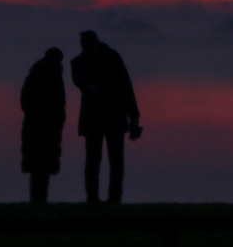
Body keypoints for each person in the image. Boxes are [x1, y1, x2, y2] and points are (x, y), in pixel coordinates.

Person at [70, 29, 142, 203]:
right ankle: (93, 197)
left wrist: (134, 116)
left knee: (114, 160)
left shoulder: (112, 58)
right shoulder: (79, 63)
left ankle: (114, 197)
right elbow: (81, 82)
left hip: (112, 116)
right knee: (95, 160)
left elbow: (126, 85)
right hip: (97, 118)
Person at [20, 47, 66, 203]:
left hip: (46, 126)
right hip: (41, 126)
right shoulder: (45, 76)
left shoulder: (48, 75)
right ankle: (38, 199)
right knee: (40, 166)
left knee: (41, 166)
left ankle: (38, 199)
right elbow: (26, 101)